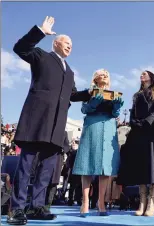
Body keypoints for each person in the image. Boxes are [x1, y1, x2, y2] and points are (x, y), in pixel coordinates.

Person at [7, 16, 91, 225]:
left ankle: (37, 207)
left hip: (56, 127)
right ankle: (16, 209)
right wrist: (40, 31)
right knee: (26, 166)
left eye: (72, 44)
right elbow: (20, 48)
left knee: (46, 170)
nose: (70, 46)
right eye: (66, 42)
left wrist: (90, 93)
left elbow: (71, 95)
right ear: (55, 43)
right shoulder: (41, 56)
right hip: (37, 121)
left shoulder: (70, 71)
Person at [117, 70, 154, 217]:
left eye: (144, 73)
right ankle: (142, 201)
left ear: (151, 76)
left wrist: (148, 122)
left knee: (152, 165)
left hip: (152, 131)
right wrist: (134, 123)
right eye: (141, 74)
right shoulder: (137, 94)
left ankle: (151, 201)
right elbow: (132, 111)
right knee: (140, 166)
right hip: (138, 133)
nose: (142, 75)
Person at [72, 69, 124, 217]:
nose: (105, 75)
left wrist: (117, 107)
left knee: (105, 166)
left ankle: (101, 202)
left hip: (108, 128)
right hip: (92, 126)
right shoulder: (89, 93)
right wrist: (92, 104)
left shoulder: (113, 94)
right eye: (101, 74)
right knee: (87, 163)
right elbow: (84, 109)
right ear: (95, 78)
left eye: (107, 74)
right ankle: (85, 202)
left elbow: (115, 114)